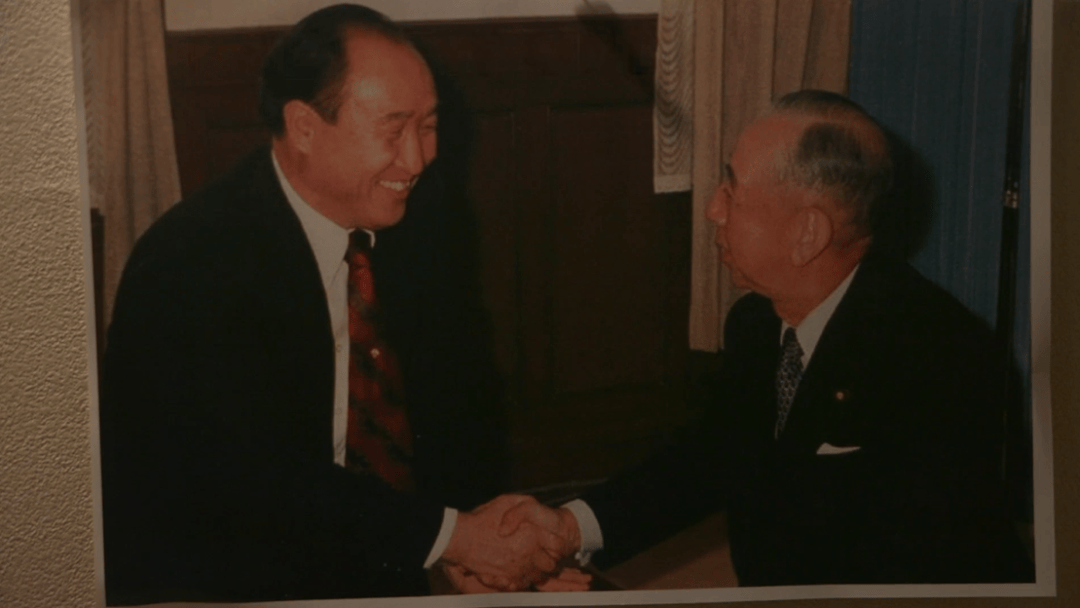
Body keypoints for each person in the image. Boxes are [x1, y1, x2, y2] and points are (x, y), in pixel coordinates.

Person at [98, 5, 581, 603]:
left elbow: (458, 408)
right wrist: (452, 539)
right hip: (222, 574)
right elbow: (254, 482)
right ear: (304, 127)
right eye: (393, 130)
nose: (417, 160)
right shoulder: (191, 261)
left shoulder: (420, 224)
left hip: (372, 548)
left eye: (429, 126)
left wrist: (476, 543)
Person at [501, 90, 1034, 586]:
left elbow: (897, 569)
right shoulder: (757, 322)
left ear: (807, 233)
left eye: (733, 192)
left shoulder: (942, 359)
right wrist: (569, 528)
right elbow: (712, 455)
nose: (713, 209)